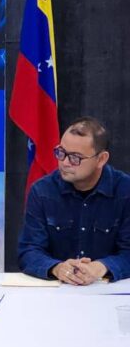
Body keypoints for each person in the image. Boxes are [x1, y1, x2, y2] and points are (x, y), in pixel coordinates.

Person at [18, 117, 130, 285]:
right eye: (61, 152)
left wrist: (101, 267)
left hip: (107, 292)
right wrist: (57, 268)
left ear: (101, 159)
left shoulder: (125, 191)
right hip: (56, 292)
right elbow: (28, 251)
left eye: (75, 157)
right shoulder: (42, 191)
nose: (64, 163)